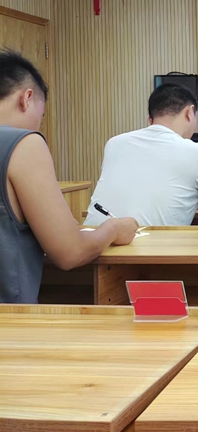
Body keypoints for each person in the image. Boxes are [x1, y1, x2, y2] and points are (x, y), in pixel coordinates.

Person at [0, 50, 138, 303]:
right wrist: (113, 229)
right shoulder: (24, 143)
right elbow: (70, 252)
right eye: (41, 115)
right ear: (26, 98)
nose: (38, 125)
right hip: (10, 319)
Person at [84, 84, 198, 227]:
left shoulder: (115, 143)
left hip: (91, 241)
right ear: (190, 112)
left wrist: (184, 201)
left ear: (150, 119)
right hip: (146, 251)